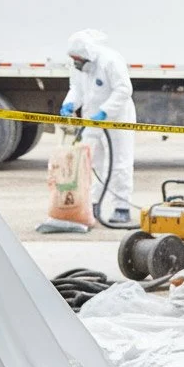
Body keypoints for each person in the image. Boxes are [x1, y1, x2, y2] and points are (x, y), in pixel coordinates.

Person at [58, 29, 137, 226]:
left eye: (77, 58)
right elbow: (76, 88)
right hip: (91, 120)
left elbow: (124, 89)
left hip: (116, 119)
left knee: (119, 163)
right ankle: (92, 205)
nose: (75, 62)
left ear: (87, 55)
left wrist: (105, 111)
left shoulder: (110, 61)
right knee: (92, 163)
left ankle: (122, 207)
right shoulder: (78, 67)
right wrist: (69, 104)